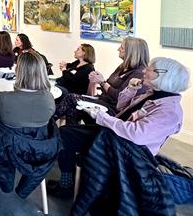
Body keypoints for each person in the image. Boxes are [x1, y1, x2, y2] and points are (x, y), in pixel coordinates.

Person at [49, 57, 190, 199]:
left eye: (149, 69)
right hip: (116, 136)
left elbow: (136, 134)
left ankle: (67, 185)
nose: (144, 71)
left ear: (164, 76)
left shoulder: (170, 111)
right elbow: (121, 107)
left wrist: (102, 117)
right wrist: (130, 90)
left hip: (127, 151)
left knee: (66, 135)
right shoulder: (152, 95)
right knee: (67, 131)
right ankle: (69, 180)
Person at [0, 51, 59, 198]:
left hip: (7, 152)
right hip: (38, 153)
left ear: (19, 71)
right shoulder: (49, 98)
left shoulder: (4, 99)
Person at [55, 37, 149, 124]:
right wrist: (94, 81)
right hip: (102, 100)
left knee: (70, 98)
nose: (118, 49)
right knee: (73, 108)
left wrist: (102, 82)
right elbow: (106, 87)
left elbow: (119, 98)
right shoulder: (122, 67)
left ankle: (47, 124)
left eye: (122, 48)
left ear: (131, 52)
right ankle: (68, 134)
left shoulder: (138, 74)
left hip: (112, 109)